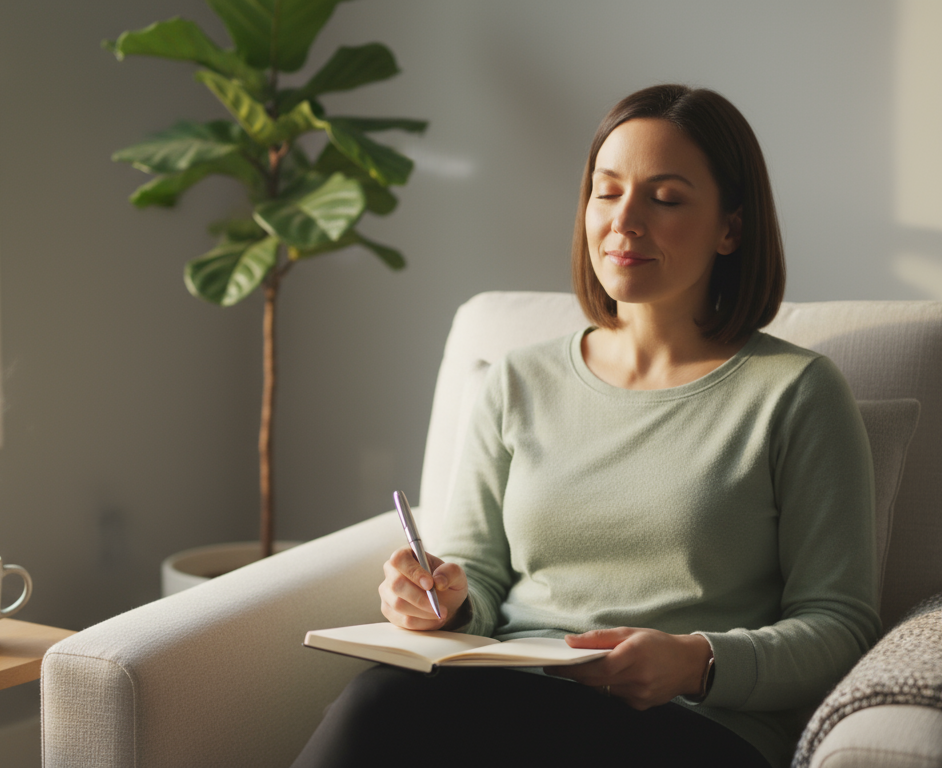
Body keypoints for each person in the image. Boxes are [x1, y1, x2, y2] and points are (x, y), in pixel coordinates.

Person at [292, 84, 881, 768]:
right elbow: (477, 575)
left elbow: (839, 625)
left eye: (665, 198)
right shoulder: (515, 380)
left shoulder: (797, 394)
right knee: (378, 701)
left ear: (731, 229)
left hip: (690, 724)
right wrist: (443, 602)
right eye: (607, 191)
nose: (623, 222)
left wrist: (696, 662)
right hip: (509, 693)